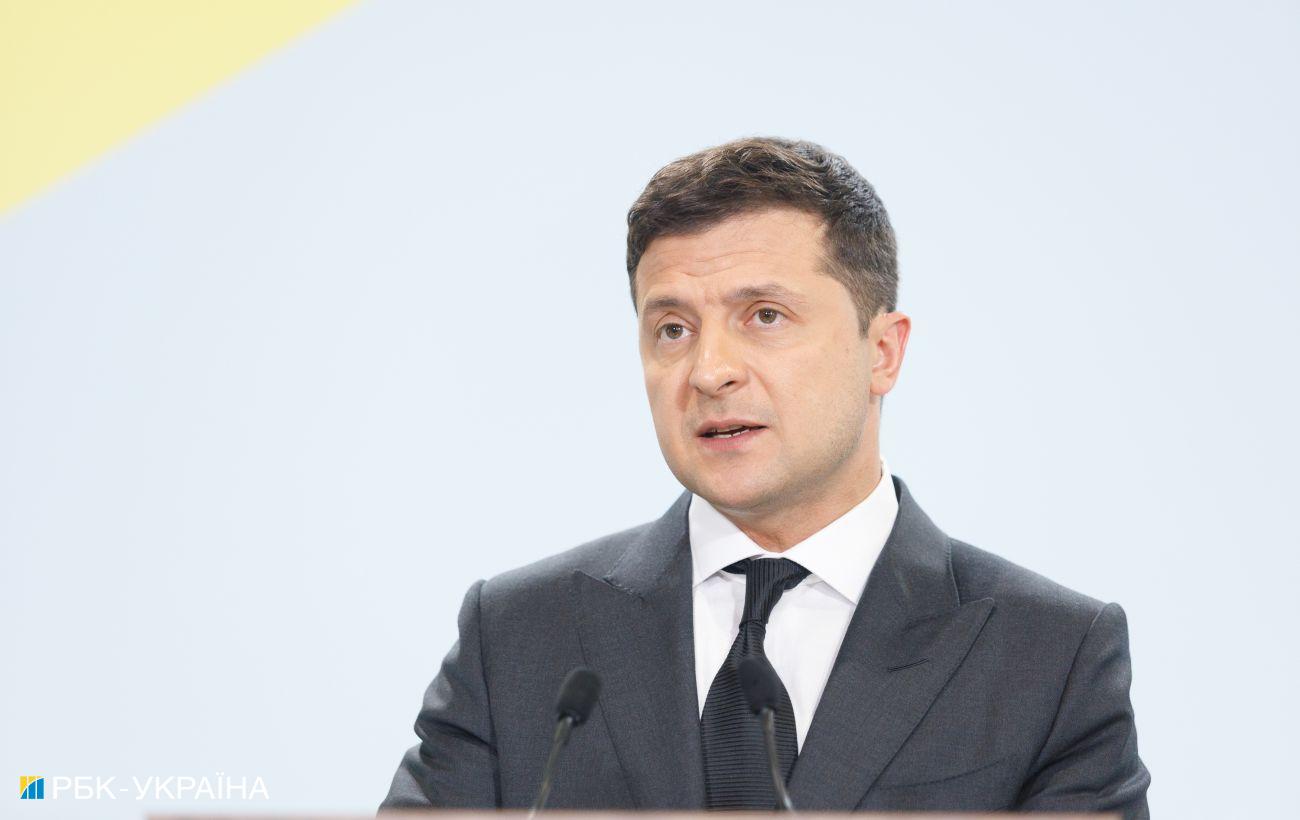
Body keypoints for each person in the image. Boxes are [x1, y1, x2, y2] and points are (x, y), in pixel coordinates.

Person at [380, 137, 1151, 817]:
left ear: (883, 352)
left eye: (765, 317)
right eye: (672, 329)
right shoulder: (519, 635)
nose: (709, 370)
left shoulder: (1048, 658)